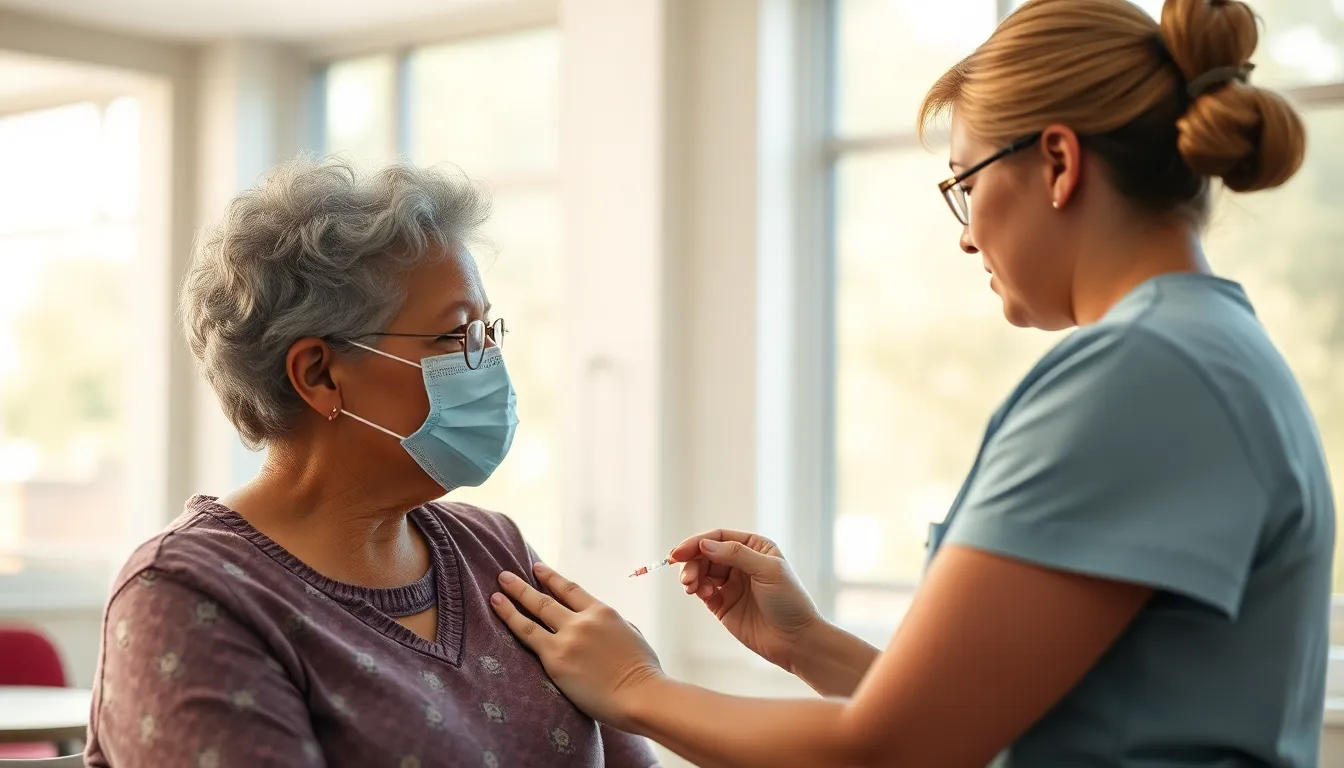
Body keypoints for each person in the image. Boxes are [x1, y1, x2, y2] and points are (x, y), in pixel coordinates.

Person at [485, 0, 1335, 765]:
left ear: (1058, 162)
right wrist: (810, 645)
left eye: (966, 186)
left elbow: (894, 751)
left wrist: (636, 688)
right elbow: (982, 721)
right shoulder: (1212, 349)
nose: (966, 239)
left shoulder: (1143, 375)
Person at [85, 157, 658, 767]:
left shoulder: (496, 549)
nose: (488, 363)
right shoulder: (188, 592)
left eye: (488, 333)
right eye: (456, 335)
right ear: (319, 374)